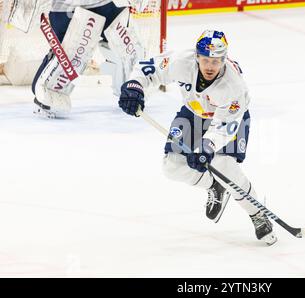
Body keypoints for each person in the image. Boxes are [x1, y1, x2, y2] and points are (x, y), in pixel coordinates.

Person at [119, 30, 277, 245]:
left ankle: (256, 213)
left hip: (229, 120)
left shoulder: (233, 86)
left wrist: (207, 146)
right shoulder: (181, 62)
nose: (210, 66)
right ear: (197, 57)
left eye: (216, 61)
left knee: (223, 165)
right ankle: (214, 186)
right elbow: (150, 67)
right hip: (194, 113)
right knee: (172, 167)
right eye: (205, 60)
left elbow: (224, 126)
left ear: (223, 59)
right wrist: (135, 85)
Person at [32, 0, 145, 118]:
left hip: (108, 4)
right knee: (50, 93)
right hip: (67, 8)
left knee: (131, 58)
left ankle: (133, 87)